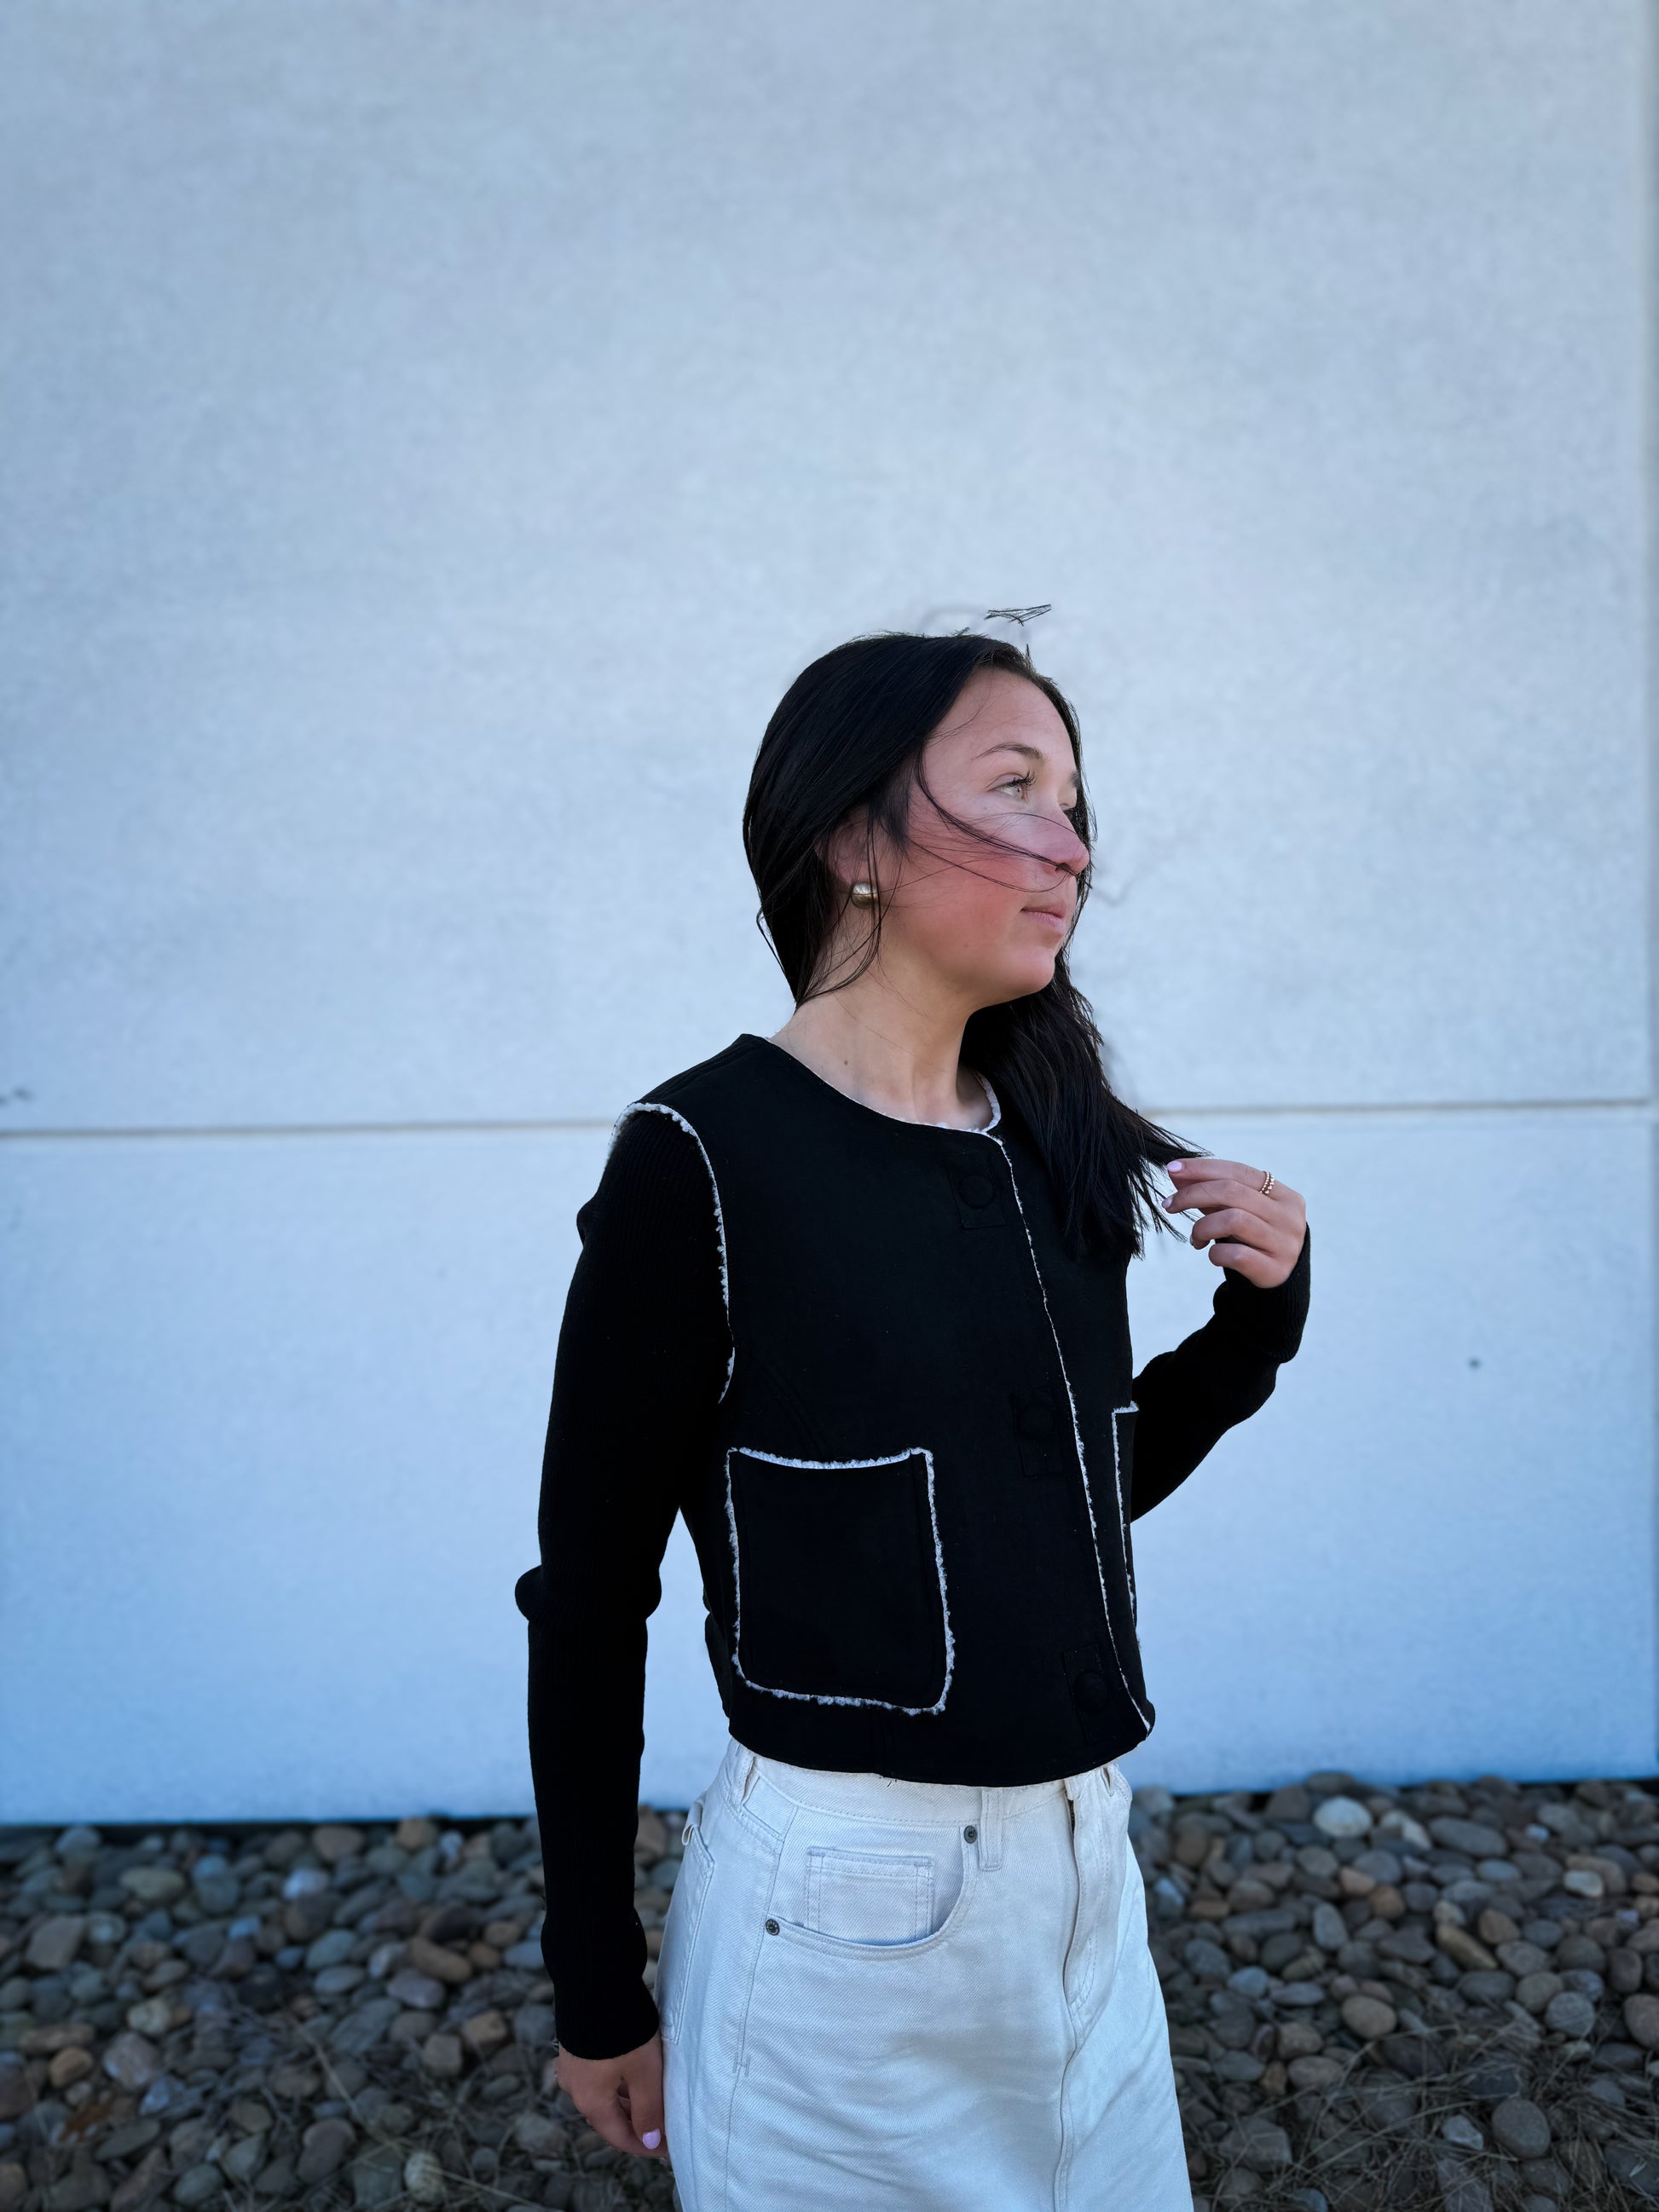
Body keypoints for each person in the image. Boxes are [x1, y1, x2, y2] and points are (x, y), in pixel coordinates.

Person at [515, 627, 1311, 2211]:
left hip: (1088, 1887)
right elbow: (590, 1601)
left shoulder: (1052, 1143)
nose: (1069, 846)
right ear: (851, 840)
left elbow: (1066, 1498)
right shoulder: (700, 1157)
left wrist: (1258, 1328)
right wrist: (594, 1982)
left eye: (1074, 802)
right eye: (1013, 788)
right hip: (836, 1933)